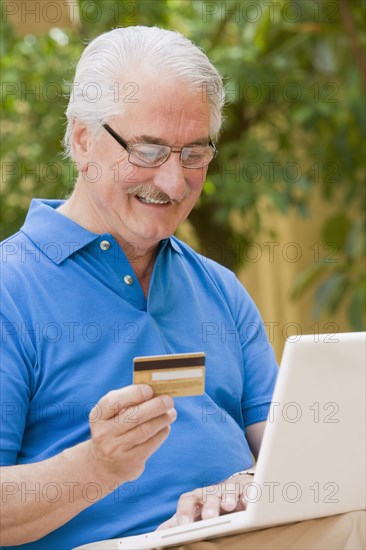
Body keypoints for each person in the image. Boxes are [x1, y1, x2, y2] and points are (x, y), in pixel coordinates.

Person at [1, 26, 363, 550]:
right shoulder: (12, 287)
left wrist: (251, 483)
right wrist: (98, 466)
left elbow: (292, 461)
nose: (173, 183)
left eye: (194, 154)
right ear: (82, 140)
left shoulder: (220, 289)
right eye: (148, 150)